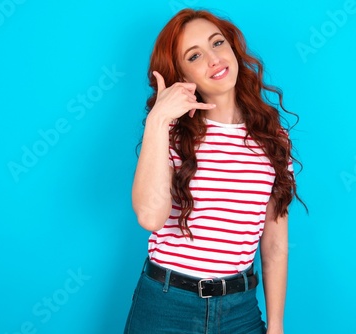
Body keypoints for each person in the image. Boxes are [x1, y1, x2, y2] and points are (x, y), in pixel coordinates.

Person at [124, 8, 305, 334]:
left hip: (240, 310)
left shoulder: (274, 138)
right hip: (166, 306)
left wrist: (276, 325)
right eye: (194, 56)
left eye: (217, 43)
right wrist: (158, 120)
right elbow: (150, 217)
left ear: (233, 47)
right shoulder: (171, 134)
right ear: (181, 74)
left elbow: (275, 243)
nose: (213, 59)